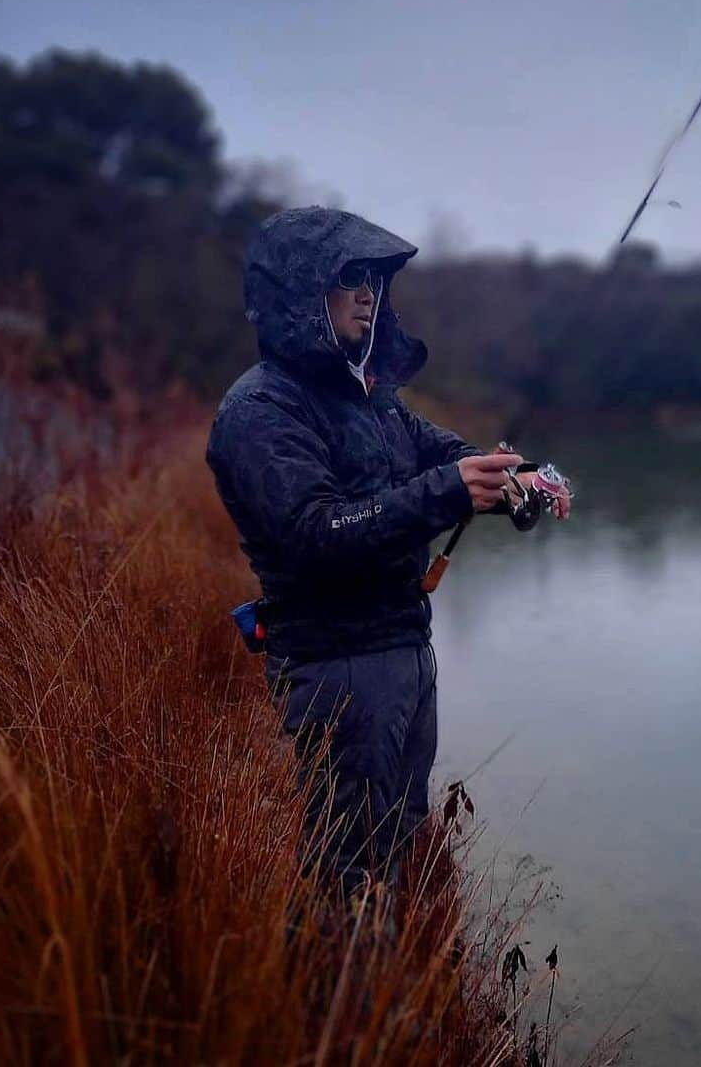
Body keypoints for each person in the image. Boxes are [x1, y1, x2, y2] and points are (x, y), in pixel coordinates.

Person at [206, 206, 570, 902]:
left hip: (402, 652)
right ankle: (338, 1003)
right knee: (346, 872)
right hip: (338, 669)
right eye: (350, 278)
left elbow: (448, 459)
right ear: (301, 291)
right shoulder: (260, 411)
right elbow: (316, 534)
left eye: (374, 278)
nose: (369, 294)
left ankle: (386, 1000)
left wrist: (517, 480)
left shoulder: (373, 402)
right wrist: (447, 490)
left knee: (393, 852)